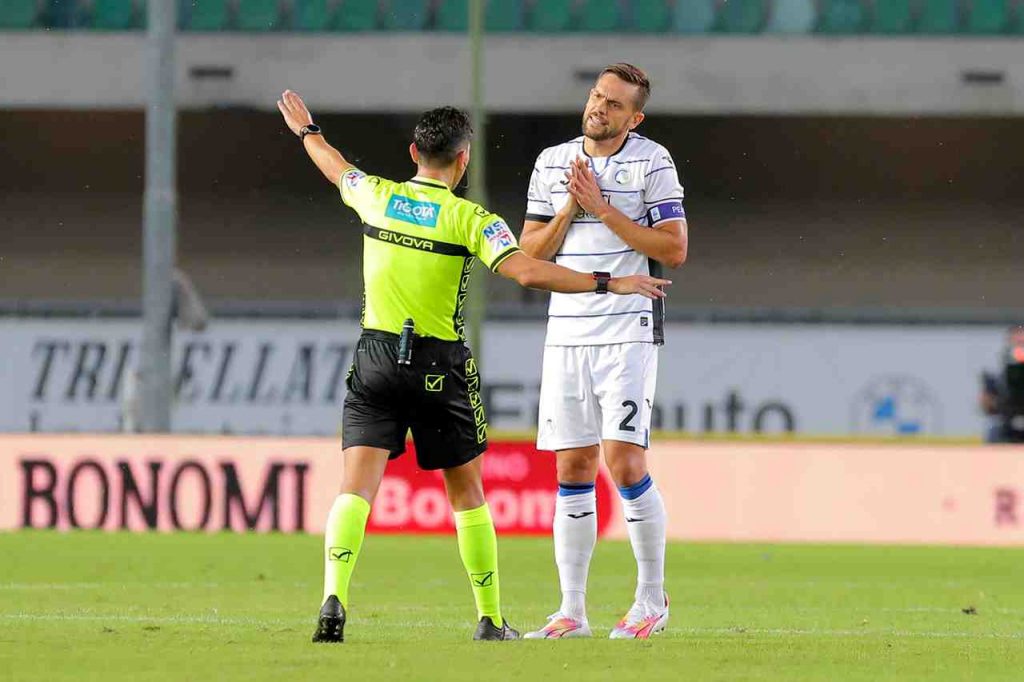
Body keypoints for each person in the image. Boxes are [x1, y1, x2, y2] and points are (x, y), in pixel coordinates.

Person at [276, 91, 671, 644]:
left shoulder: (376, 197)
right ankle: (489, 618)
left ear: (414, 151)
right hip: (439, 366)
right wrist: (612, 281)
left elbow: (335, 165)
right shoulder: (471, 219)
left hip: (375, 358)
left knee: (356, 489)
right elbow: (529, 273)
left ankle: (333, 598)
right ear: (464, 162)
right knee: (467, 495)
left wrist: (307, 130)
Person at [518, 64, 688, 640]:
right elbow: (529, 256)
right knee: (571, 467)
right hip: (566, 327)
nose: (600, 108)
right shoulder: (552, 161)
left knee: (625, 462)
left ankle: (651, 600)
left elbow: (674, 248)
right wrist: (571, 205)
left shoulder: (653, 161)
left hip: (628, 327)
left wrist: (605, 209)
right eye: (596, 96)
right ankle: (572, 610)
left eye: (614, 104)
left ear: (633, 117)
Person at [980, 325, 1024, 443]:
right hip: (1006, 422)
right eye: (1017, 341)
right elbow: (987, 406)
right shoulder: (998, 376)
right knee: (993, 431)